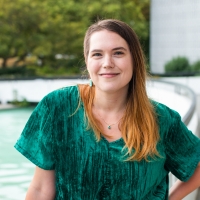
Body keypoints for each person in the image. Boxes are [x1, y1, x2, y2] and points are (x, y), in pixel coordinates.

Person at [15, 19, 200, 200]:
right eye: (97, 54)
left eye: (118, 53)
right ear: (87, 62)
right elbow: (40, 190)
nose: (107, 63)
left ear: (134, 60)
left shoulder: (161, 119)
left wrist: (172, 198)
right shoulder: (57, 107)